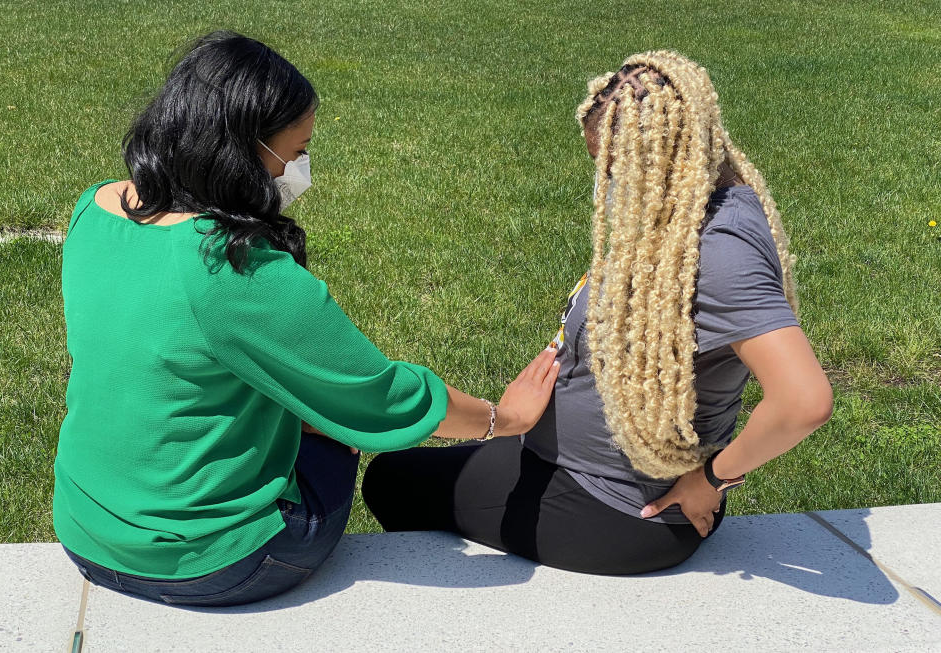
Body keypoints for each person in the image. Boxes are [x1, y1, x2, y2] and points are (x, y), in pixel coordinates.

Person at [52, 30, 558, 607]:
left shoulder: (93, 208)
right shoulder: (236, 270)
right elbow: (380, 399)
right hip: (214, 562)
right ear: (240, 151)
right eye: (293, 154)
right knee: (336, 438)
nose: (300, 170)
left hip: (84, 528)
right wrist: (503, 418)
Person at [362, 50, 833, 575]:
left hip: (612, 510)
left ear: (664, 155)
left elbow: (804, 401)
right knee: (403, 472)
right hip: (575, 469)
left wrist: (712, 481)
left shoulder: (721, 251)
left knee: (390, 483)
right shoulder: (701, 203)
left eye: (614, 165)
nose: (606, 181)